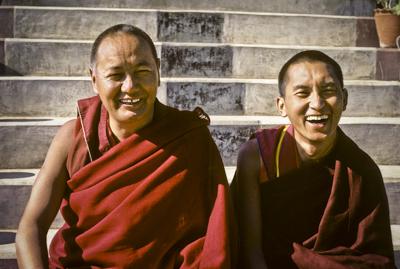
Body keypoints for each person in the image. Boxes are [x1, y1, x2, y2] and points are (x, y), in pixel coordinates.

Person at [16, 24, 236, 268]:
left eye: (142, 71)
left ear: (158, 72)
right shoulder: (75, 138)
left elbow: (216, 235)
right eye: (116, 75)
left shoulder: (189, 137)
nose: (130, 86)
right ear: (94, 80)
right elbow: (31, 227)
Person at [232, 50, 395, 269]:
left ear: (344, 99)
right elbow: (250, 251)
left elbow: (374, 258)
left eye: (328, 90)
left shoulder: (361, 170)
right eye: (302, 93)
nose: (317, 103)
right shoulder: (259, 157)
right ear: (282, 105)